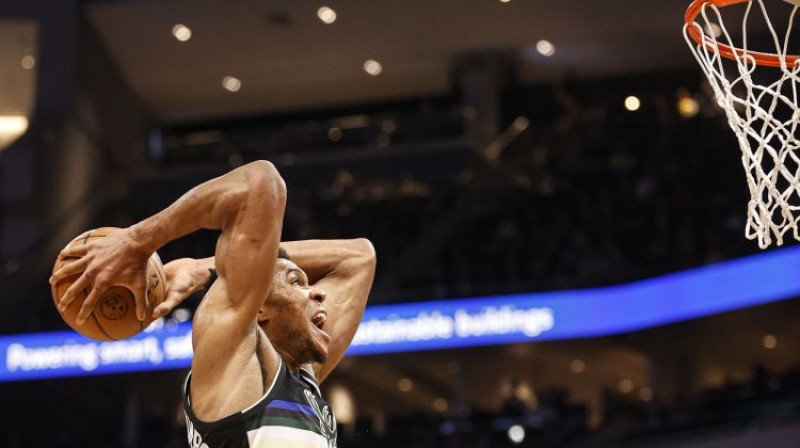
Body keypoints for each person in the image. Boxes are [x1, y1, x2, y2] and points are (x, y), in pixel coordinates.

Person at [50, 161, 377, 447]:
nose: (318, 293)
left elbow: (359, 257)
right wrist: (139, 240)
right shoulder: (236, 357)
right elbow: (261, 183)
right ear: (259, 310)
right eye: (296, 283)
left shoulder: (301, 377)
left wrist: (199, 267)